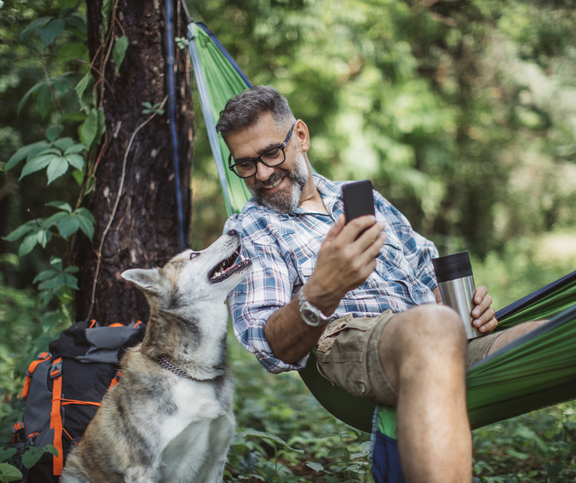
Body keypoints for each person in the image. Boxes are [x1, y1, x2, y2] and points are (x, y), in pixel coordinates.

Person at [218, 86, 543, 482]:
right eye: (246, 164)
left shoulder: (362, 197)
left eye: (271, 153)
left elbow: (425, 267)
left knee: (547, 336)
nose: (263, 174)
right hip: (349, 338)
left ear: (300, 136)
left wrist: (470, 309)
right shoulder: (251, 228)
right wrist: (322, 289)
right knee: (434, 326)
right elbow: (269, 347)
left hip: (440, 337)